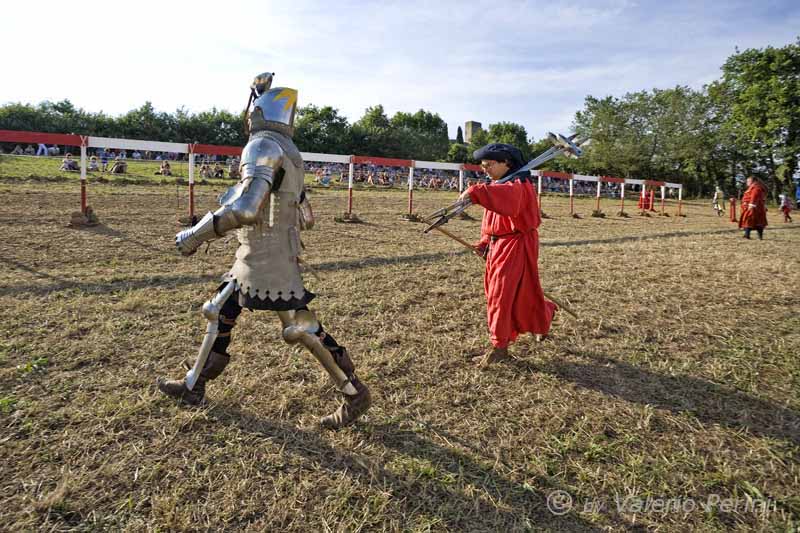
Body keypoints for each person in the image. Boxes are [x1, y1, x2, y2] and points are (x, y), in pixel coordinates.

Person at [157, 72, 371, 429]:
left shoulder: (262, 146)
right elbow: (307, 216)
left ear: (257, 112)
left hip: (267, 256)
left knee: (300, 328)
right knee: (218, 309)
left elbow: (244, 210)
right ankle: (194, 384)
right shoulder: (291, 152)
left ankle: (354, 393)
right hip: (261, 251)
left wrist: (194, 235)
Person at [458, 143, 557, 367]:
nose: (485, 169)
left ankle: (499, 347)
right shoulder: (499, 184)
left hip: (516, 244)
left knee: (500, 296)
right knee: (521, 294)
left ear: (506, 163)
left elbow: (509, 203)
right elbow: (492, 218)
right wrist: (485, 242)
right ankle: (545, 314)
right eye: (482, 166)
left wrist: (475, 191)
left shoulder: (519, 184)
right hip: (498, 245)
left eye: (489, 164)